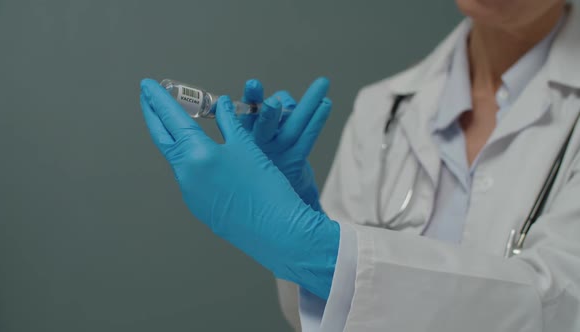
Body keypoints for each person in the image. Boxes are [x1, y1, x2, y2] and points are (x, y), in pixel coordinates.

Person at [138, 0, 580, 330]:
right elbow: (320, 316)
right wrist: (307, 243)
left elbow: (560, 308)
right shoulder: (383, 108)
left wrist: (316, 250)